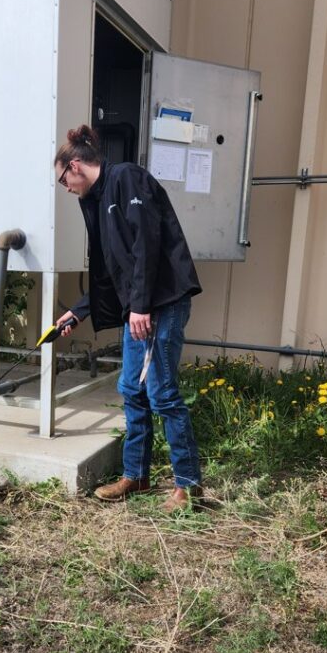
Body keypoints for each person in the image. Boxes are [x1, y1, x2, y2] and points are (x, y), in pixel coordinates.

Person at [54, 124, 203, 512]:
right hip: (139, 307)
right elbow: (112, 271)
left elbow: (147, 245)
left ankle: (189, 485)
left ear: (75, 166)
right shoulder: (98, 201)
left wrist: (140, 305)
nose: (65, 188)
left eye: (61, 180)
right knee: (131, 390)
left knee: (162, 393)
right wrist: (79, 310)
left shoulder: (127, 179)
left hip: (163, 302)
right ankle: (136, 475)